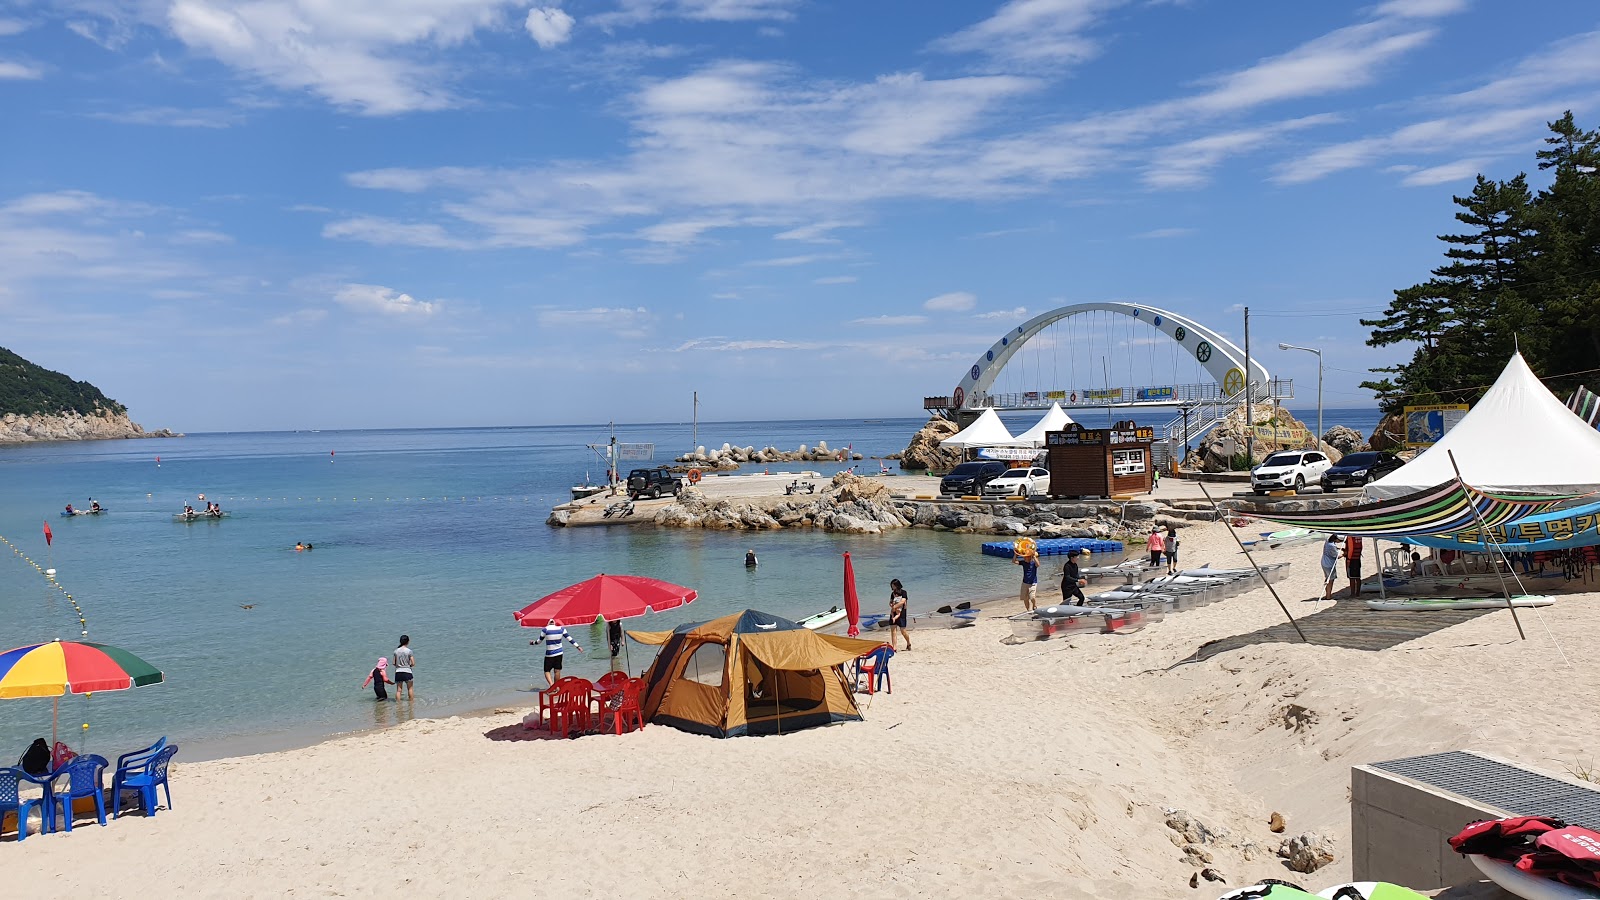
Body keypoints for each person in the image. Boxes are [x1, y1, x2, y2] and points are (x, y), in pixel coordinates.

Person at [534, 622, 583, 687]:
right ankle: (556, 687)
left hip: (550, 654)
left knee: (547, 670)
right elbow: (569, 638)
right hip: (559, 653)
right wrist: (578, 646)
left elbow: (538, 641)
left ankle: (551, 685)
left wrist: (532, 643)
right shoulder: (561, 629)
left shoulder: (545, 630)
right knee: (557, 670)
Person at [888, 579, 911, 651]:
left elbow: (903, 601)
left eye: (893, 585)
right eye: (892, 585)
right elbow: (890, 602)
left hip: (901, 613)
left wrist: (895, 606)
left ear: (897, 585)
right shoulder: (892, 593)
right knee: (893, 630)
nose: (892, 587)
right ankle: (894, 647)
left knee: (903, 631)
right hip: (893, 612)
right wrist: (891, 605)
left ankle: (908, 643)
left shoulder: (904, 592)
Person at [393, 635, 416, 700]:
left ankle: (398, 705)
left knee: (399, 690)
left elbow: (394, 663)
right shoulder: (409, 651)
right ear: (408, 642)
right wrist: (409, 666)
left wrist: (399, 666)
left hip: (398, 672)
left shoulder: (396, 651)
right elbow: (413, 663)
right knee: (410, 689)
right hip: (407, 671)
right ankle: (411, 705)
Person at [1320, 535, 1342, 602]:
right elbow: (1336, 556)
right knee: (1330, 580)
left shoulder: (1327, 542)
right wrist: (1344, 554)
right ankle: (1328, 596)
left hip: (1324, 562)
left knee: (1327, 578)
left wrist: (1338, 548)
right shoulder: (1332, 546)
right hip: (1329, 564)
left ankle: (1327, 594)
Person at [1345, 534, 1364, 598]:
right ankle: (1358, 593)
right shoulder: (1359, 536)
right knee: (1358, 577)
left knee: (1352, 578)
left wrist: (1348, 560)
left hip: (1352, 559)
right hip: (1357, 558)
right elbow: (1361, 546)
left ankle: (1353, 594)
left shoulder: (1350, 536)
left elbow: (1351, 548)